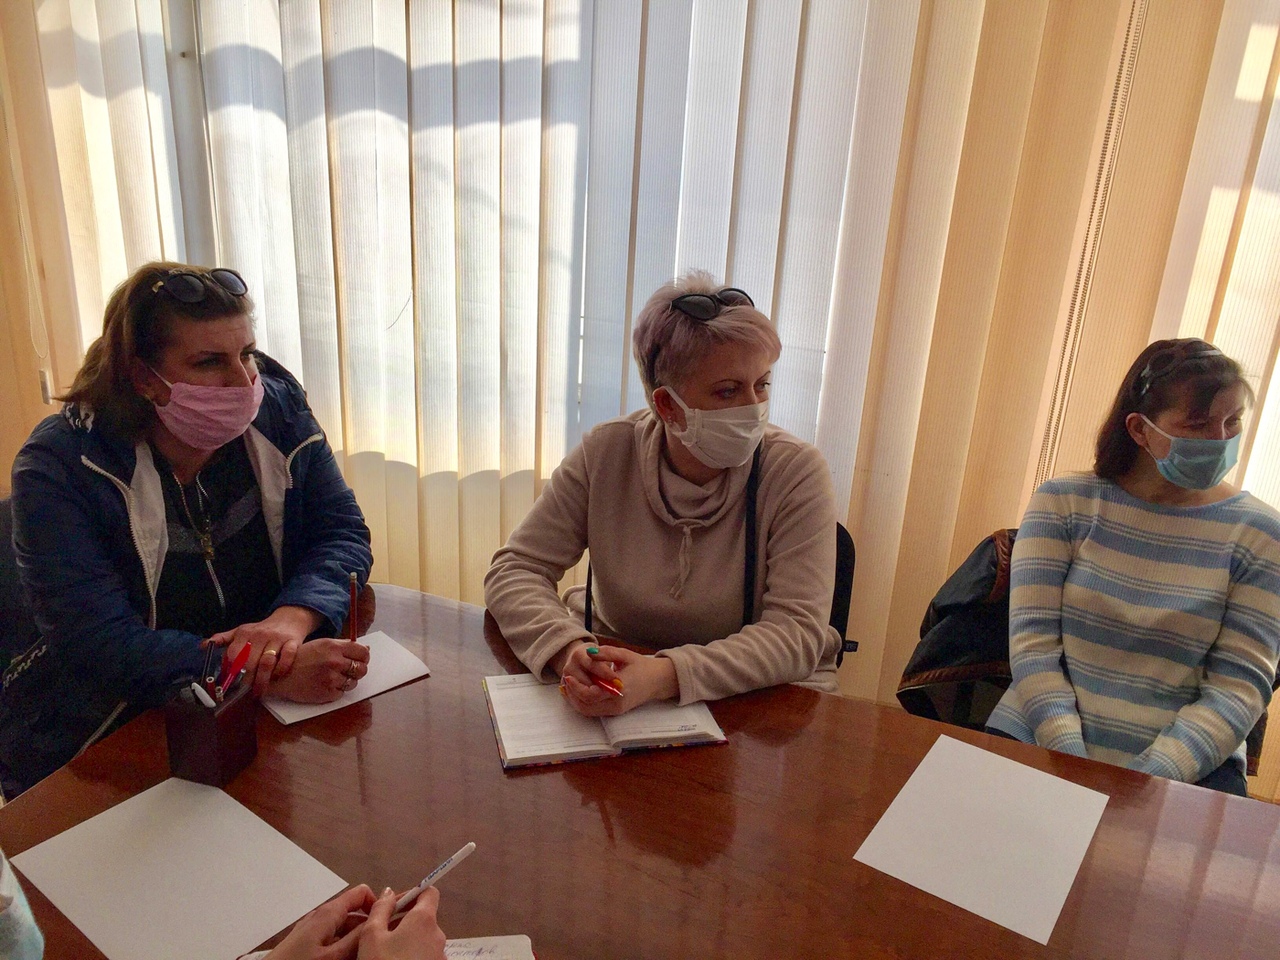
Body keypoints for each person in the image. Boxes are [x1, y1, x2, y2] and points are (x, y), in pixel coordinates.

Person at [0, 262, 373, 797]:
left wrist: (290, 623)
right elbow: (97, 645)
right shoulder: (59, 466)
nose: (244, 381)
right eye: (209, 362)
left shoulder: (278, 408)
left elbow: (341, 532)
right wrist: (253, 672)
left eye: (246, 353)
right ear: (143, 378)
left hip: (249, 721)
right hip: (109, 731)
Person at [484, 271, 840, 717]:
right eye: (728, 390)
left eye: (762, 384)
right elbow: (515, 569)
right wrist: (567, 648)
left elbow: (797, 634)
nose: (753, 407)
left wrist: (661, 676)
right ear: (667, 405)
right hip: (615, 669)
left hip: (755, 702)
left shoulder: (795, 471)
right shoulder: (606, 453)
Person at [986, 338, 1280, 796]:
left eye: (1233, 421)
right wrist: (1069, 760)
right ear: (1140, 430)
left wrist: (1144, 779)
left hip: (1189, 765)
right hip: (1043, 736)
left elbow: (1237, 690)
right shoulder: (1064, 502)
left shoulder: (1261, 535)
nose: (1221, 439)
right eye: (1198, 424)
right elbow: (1033, 647)